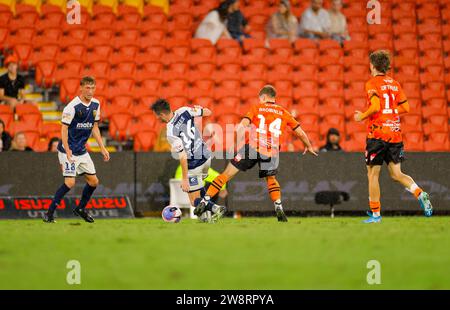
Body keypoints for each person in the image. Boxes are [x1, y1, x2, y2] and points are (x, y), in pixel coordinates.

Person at [196, 85, 318, 222]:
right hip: (271, 151)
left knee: (226, 174)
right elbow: (300, 132)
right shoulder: (284, 112)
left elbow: (242, 125)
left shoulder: (256, 108)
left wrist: (236, 142)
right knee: (271, 179)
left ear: (264, 97)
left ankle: (205, 201)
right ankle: (278, 206)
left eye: (260, 98)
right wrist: (309, 146)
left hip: (252, 147)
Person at [354, 50, 433, 224]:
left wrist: (362, 116)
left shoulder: (372, 83)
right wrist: (390, 112)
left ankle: (375, 214)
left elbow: (374, 107)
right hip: (395, 133)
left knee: (372, 174)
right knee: (397, 173)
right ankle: (419, 193)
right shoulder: (395, 84)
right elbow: (406, 108)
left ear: (372, 66)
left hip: (378, 134)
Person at [43, 76, 110, 223]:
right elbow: (64, 129)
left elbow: (95, 127)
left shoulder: (96, 104)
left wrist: (102, 148)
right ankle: (49, 214)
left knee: (94, 182)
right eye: (87, 88)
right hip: (68, 150)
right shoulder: (72, 107)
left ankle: (80, 209)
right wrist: (67, 150)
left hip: (82, 150)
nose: (90, 91)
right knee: (70, 183)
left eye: (93, 88)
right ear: (81, 88)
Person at [151, 99, 226, 223]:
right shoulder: (184, 110)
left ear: (162, 115)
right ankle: (207, 221)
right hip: (206, 156)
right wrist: (200, 109)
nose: (157, 119)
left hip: (194, 164)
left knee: (193, 201)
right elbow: (208, 112)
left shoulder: (170, 132)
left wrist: (185, 178)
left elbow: (183, 156)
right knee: (199, 190)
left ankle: (216, 208)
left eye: (157, 116)